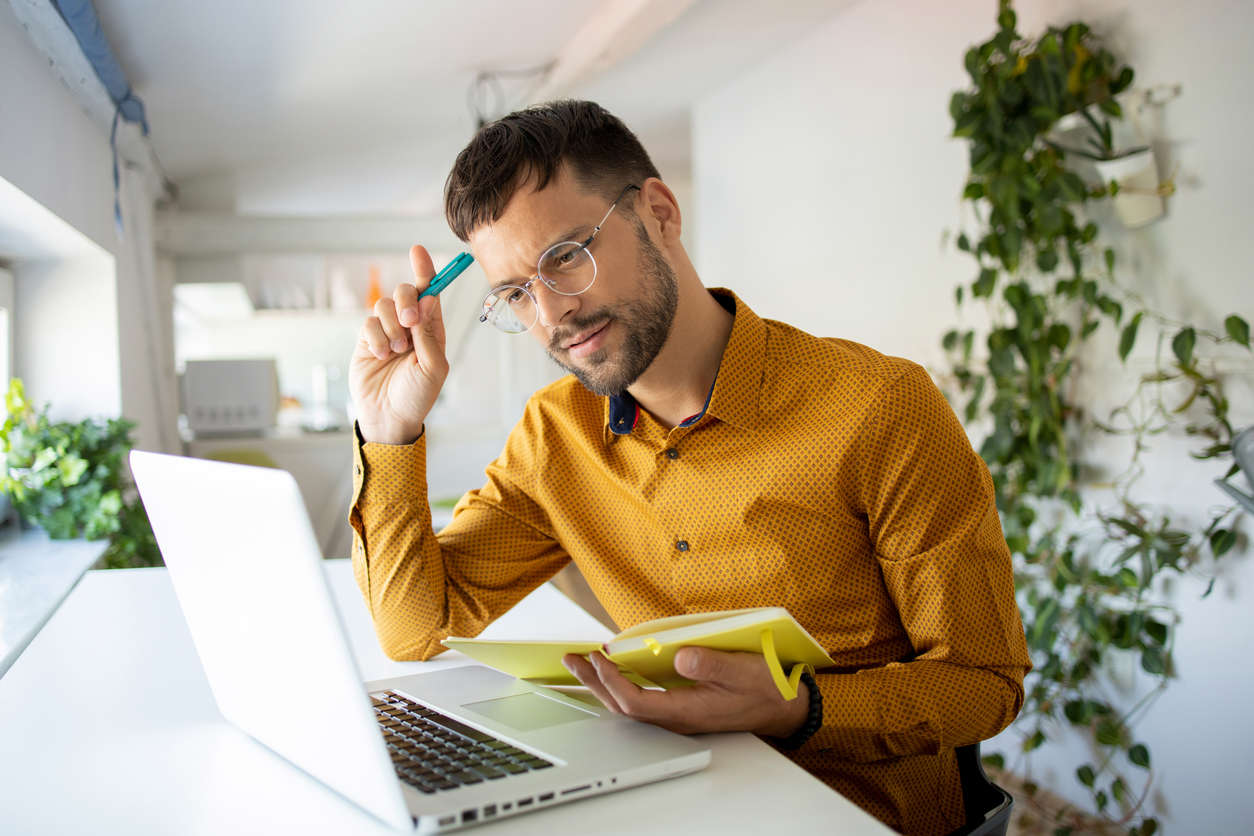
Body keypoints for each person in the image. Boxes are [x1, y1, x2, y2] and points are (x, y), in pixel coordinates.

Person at [347, 99, 1030, 835]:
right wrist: (389, 432)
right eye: (515, 291)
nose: (550, 315)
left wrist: (804, 708)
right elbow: (414, 630)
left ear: (661, 213)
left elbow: (982, 684)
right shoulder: (555, 436)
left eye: (565, 257)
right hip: (668, 806)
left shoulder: (879, 408)